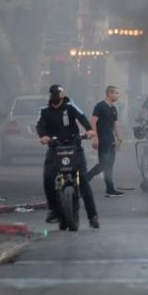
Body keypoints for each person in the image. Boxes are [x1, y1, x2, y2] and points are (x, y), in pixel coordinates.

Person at [36, 84, 100, 228]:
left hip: (74, 147)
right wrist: (44, 136)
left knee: (83, 179)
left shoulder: (70, 107)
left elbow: (82, 118)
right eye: (53, 93)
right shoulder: (44, 111)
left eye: (58, 93)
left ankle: (92, 215)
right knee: (48, 177)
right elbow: (40, 126)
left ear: (62, 95)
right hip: (55, 148)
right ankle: (53, 210)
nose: (56, 96)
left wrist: (89, 131)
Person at [86, 85, 125, 197]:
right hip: (102, 139)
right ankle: (83, 181)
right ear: (110, 93)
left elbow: (116, 124)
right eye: (116, 93)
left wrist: (119, 139)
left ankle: (110, 189)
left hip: (110, 140)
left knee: (110, 165)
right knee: (103, 164)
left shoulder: (113, 108)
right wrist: (95, 138)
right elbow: (93, 122)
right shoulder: (100, 106)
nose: (118, 95)